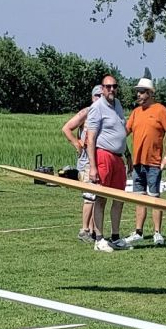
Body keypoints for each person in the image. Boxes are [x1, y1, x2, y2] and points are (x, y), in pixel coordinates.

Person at [124, 77, 166, 246]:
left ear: (150, 93)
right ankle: (138, 232)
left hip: (154, 162)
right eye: (137, 92)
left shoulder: (160, 110)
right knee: (139, 198)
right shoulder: (136, 112)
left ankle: (157, 233)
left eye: (141, 92)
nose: (138, 95)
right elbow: (124, 133)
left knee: (155, 198)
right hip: (138, 163)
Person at [85, 75, 131, 252]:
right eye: (108, 86)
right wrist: (93, 167)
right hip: (103, 155)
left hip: (118, 157)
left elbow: (121, 131)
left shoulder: (117, 104)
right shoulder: (97, 108)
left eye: (114, 86)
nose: (112, 89)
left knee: (119, 198)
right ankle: (99, 238)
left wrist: (127, 154)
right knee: (101, 197)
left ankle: (115, 237)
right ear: (102, 89)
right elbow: (90, 138)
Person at [62, 84, 104, 243]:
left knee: (97, 196)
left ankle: (92, 231)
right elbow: (66, 128)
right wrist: (76, 143)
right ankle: (84, 229)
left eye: (102, 95)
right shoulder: (86, 112)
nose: (100, 99)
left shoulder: (105, 114)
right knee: (89, 196)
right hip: (86, 162)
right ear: (92, 97)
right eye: (97, 96)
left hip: (99, 161)